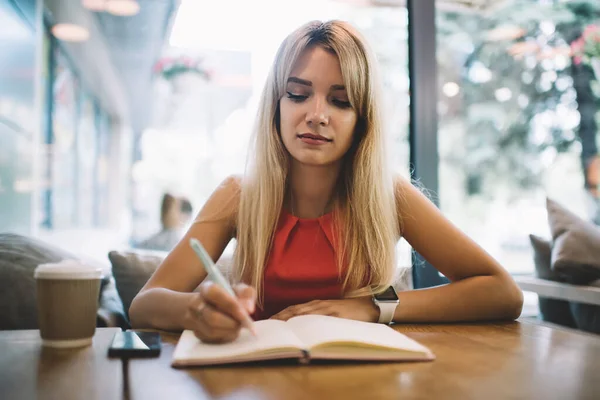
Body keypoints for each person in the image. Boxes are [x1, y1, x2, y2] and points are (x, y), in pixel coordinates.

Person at [129, 20, 523, 343]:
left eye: (341, 101)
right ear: (276, 107)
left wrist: (372, 306)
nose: (317, 115)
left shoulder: (390, 195)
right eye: (298, 94)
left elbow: (502, 292)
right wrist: (197, 310)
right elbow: (144, 304)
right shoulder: (238, 195)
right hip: (263, 375)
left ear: (362, 119)